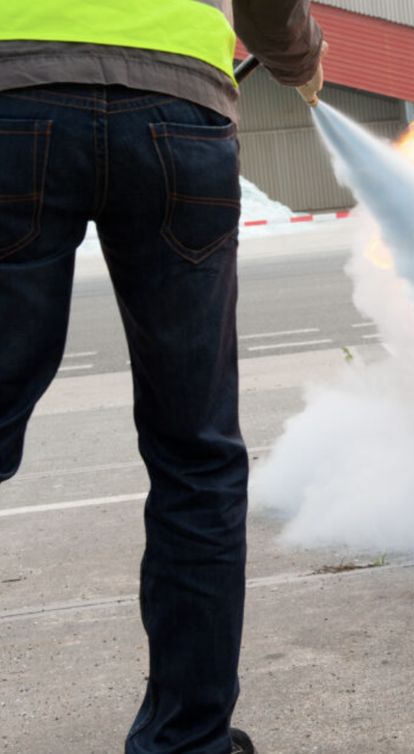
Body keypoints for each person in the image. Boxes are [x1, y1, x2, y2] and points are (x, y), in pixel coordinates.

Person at [0, 2, 326, 752]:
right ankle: (186, 743)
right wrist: (300, 62)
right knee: (196, 454)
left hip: (13, 101)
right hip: (178, 112)